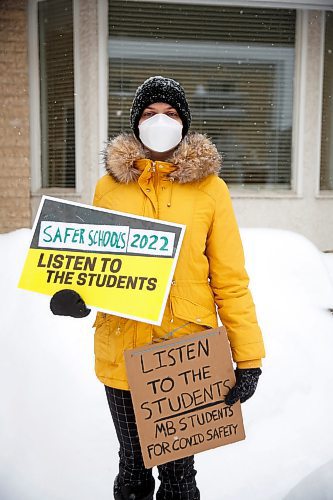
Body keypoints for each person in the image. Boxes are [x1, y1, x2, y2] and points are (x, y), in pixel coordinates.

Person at [50, 76, 265, 500]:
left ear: (184, 124)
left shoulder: (211, 190)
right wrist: (75, 296)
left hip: (184, 353)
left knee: (178, 473)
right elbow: (97, 261)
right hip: (121, 347)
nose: (160, 121)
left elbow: (231, 279)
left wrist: (249, 355)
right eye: (149, 114)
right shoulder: (109, 187)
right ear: (135, 124)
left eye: (170, 113)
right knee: (132, 465)